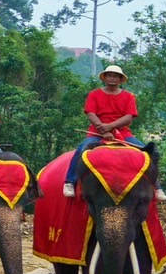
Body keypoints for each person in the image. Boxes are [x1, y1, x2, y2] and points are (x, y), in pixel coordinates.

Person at [64, 64, 151, 198]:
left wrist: (110, 126)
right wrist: (102, 129)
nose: (112, 78)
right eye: (109, 75)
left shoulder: (129, 96)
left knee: (148, 151)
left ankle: (155, 186)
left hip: (123, 133)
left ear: (120, 80)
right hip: (96, 131)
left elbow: (128, 117)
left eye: (115, 76)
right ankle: (70, 181)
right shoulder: (94, 94)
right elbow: (90, 113)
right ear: (104, 78)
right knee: (82, 149)